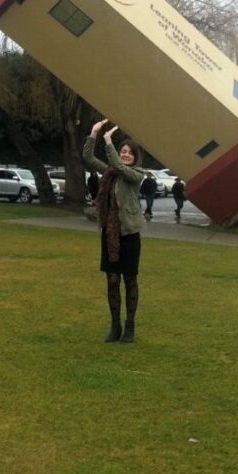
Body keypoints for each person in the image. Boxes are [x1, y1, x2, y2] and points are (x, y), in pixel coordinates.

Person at [83, 119, 146, 344]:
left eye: (129, 152)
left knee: (130, 280)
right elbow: (89, 158)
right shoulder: (111, 172)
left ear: (135, 157)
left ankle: (130, 325)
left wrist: (109, 142)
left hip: (129, 234)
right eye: (123, 151)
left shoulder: (137, 174)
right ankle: (115, 325)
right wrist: (94, 134)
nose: (125, 154)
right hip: (110, 234)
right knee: (112, 280)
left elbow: (119, 167)